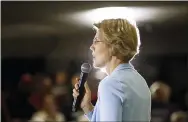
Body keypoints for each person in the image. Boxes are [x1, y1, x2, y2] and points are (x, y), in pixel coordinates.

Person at [73, 18, 151, 121]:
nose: (92, 47)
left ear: (114, 45)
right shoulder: (141, 82)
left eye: (96, 41)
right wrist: (87, 107)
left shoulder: (110, 84)